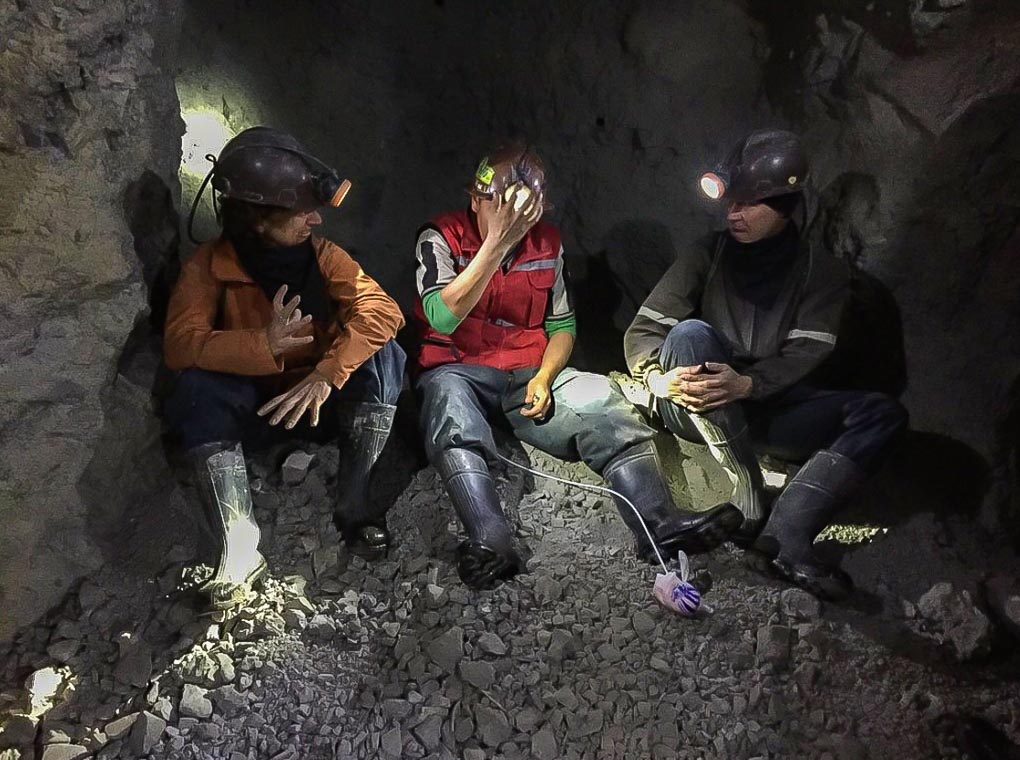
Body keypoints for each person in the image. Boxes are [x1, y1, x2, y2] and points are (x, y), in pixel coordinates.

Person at [411, 142, 742, 590]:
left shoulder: (546, 244)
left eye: (524, 212)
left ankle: (659, 523)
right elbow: (442, 316)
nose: (515, 220)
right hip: (457, 367)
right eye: (502, 207)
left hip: (525, 372)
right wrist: (496, 244)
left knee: (602, 398)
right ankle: (491, 540)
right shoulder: (441, 237)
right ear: (476, 200)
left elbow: (561, 324)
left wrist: (546, 377)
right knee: (449, 404)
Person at [624, 129, 907, 600]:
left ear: (785, 206)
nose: (733, 214)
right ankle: (746, 488)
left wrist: (749, 384)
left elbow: (807, 350)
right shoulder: (707, 253)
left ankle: (785, 534)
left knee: (883, 414)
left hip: (770, 408)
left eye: (749, 204)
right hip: (700, 409)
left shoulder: (822, 271)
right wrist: (657, 378)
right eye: (730, 203)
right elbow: (644, 329)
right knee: (689, 335)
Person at [164, 126, 406, 609]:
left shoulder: (323, 257)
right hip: (258, 411)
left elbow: (383, 311)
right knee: (196, 386)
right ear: (257, 219)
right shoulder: (209, 267)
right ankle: (239, 545)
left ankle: (355, 505)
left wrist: (328, 373)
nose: (315, 219)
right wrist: (262, 344)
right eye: (301, 212)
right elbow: (178, 344)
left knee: (386, 356)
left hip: (318, 404)